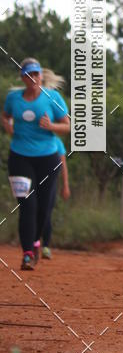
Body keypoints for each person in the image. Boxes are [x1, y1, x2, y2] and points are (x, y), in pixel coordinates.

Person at [2, 58, 70, 270]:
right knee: (27, 205)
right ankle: (28, 254)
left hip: (48, 158)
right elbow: (5, 116)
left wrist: (51, 126)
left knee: (43, 208)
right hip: (19, 157)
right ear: (23, 77)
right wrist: (7, 125)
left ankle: (37, 241)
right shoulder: (14, 98)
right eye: (28, 75)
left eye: (36, 74)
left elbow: (67, 126)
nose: (33, 78)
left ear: (41, 75)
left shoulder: (53, 98)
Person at [41, 135, 70, 259]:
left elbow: (62, 164)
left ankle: (45, 247)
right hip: (33, 183)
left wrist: (65, 185)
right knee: (31, 212)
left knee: (46, 213)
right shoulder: (30, 139)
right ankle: (32, 245)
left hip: (50, 183)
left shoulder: (56, 141)